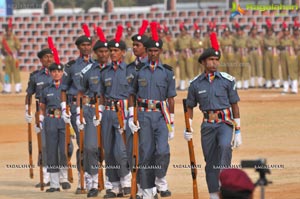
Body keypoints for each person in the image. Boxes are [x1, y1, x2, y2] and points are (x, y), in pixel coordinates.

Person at [183, 32, 242, 199]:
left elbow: (234, 105)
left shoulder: (227, 80)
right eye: (210, 60)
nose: (214, 63)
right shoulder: (195, 84)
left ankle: (226, 189)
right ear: (203, 62)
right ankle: (213, 195)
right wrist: (188, 127)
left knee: (224, 147)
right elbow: (190, 107)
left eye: (216, 60)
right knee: (210, 163)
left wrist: (238, 131)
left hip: (225, 123)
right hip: (207, 125)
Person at [128, 22, 176, 199]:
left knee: (162, 151)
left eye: (156, 51)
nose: (153, 53)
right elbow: (132, 94)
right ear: (147, 53)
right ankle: (147, 190)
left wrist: (172, 122)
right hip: (143, 115)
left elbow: (171, 99)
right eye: (150, 51)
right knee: (146, 152)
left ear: (160, 52)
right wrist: (131, 117)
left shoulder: (168, 72)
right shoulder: (139, 71)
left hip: (161, 116)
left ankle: (160, 179)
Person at [61, 24, 95, 194]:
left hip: (95, 108)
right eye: (83, 45)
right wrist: (64, 108)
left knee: (95, 146)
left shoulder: (98, 66)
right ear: (78, 48)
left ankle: (96, 179)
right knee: (83, 145)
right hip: (77, 108)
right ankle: (84, 179)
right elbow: (63, 88)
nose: (86, 48)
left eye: (88, 45)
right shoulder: (71, 66)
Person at [99, 25, 131, 198]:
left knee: (121, 149)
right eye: (111, 50)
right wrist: (100, 112)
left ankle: (126, 179)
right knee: (109, 150)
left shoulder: (130, 70)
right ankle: (114, 185)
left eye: (116, 50)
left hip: (123, 112)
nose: (112, 53)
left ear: (123, 52)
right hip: (108, 113)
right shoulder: (104, 72)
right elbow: (102, 95)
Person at [36, 59, 71, 192]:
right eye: (54, 71)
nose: (56, 74)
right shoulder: (45, 89)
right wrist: (40, 119)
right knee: (51, 151)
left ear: (62, 73)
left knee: (64, 150)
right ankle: (54, 184)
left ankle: (64, 178)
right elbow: (42, 107)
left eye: (59, 71)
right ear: (50, 73)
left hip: (64, 120)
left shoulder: (67, 88)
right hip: (50, 121)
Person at [25, 48, 54, 188]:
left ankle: (62, 176)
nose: (49, 59)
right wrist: (27, 110)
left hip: (58, 113)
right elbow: (29, 94)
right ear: (41, 60)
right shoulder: (35, 76)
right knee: (43, 145)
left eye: (51, 56)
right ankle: (46, 176)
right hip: (41, 113)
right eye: (46, 57)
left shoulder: (60, 74)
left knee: (64, 145)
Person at [1, 18, 21, 94]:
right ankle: (7, 89)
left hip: (14, 57)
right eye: (7, 30)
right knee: (7, 74)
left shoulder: (14, 38)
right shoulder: (3, 39)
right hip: (7, 58)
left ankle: (18, 88)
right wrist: (4, 52)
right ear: (6, 30)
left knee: (16, 73)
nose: (9, 32)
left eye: (10, 30)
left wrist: (16, 54)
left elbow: (18, 47)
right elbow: (2, 48)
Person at [279, 22, 298, 94]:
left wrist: (294, 54)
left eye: (287, 31)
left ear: (289, 31)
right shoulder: (281, 39)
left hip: (291, 55)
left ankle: (294, 88)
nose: (285, 32)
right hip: (283, 55)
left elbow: (295, 47)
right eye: (284, 31)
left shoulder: (292, 38)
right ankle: (285, 88)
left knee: (292, 71)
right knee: (284, 71)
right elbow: (278, 46)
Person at [262, 19, 280, 89]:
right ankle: (268, 82)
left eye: (270, 31)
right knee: (267, 67)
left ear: (272, 31)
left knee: (275, 67)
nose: (269, 32)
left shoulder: (275, 38)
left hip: (274, 52)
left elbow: (278, 45)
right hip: (267, 53)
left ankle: (276, 83)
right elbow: (263, 45)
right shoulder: (264, 38)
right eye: (268, 31)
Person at [175, 22, 193, 90]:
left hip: (188, 53)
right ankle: (182, 85)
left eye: (183, 30)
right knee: (182, 70)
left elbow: (192, 46)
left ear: (186, 31)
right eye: (181, 30)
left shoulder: (189, 38)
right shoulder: (178, 38)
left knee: (189, 70)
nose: (182, 32)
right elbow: (176, 46)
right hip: (181, 53)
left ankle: (190, 85)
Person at [233, 23, 250, 89]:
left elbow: (248, 46)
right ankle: (239, 83)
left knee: (245, 67)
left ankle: (245, 84)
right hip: (237, 53)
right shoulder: (235, 38)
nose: (239, 32)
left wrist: (246, 52)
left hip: (244, 53)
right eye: (238, 31)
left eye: (240, 31)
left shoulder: (246, 37)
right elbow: (233, 46)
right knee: (237, 68)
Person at [247, 22, 264, 88]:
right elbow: (247, 46)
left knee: (259, 67)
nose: (254, 31)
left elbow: (262, 46)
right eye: (253, 30)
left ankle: (260, 83)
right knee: (252, 67)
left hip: (257, 51)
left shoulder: (259, 38)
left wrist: (260, 52)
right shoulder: (248, 38)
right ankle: (252, 83)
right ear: (251, 31)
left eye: (255, 30)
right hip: (251, 52)